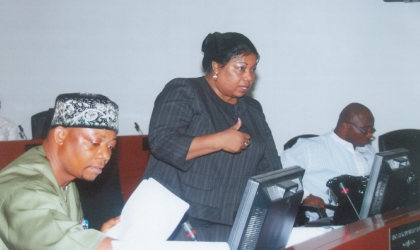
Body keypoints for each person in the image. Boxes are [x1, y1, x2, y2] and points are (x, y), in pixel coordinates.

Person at [142, 32, 282, 242]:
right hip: (183, 220)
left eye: (252, 70)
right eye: (241, 68)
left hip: (233, 221)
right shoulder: (185, 91)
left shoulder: (252, 109)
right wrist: (220, 141)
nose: (248, 77)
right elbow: (162, 142)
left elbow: (270, 166)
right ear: (217, 66)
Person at [0, 93, 121, 250]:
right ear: (60, 135)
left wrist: (101, 238)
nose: (106, 155)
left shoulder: (65, 180)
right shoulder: (25, 190)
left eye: (110, 147)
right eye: (95, 143)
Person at [280, 103, 376, 218]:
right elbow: (282, 173)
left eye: (372, 130)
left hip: (366, 218)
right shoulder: (311, 148)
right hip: (329, 221)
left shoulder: (369, 150)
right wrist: (305, 196)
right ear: (346, 126)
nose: (370, 135)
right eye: (365, 130)